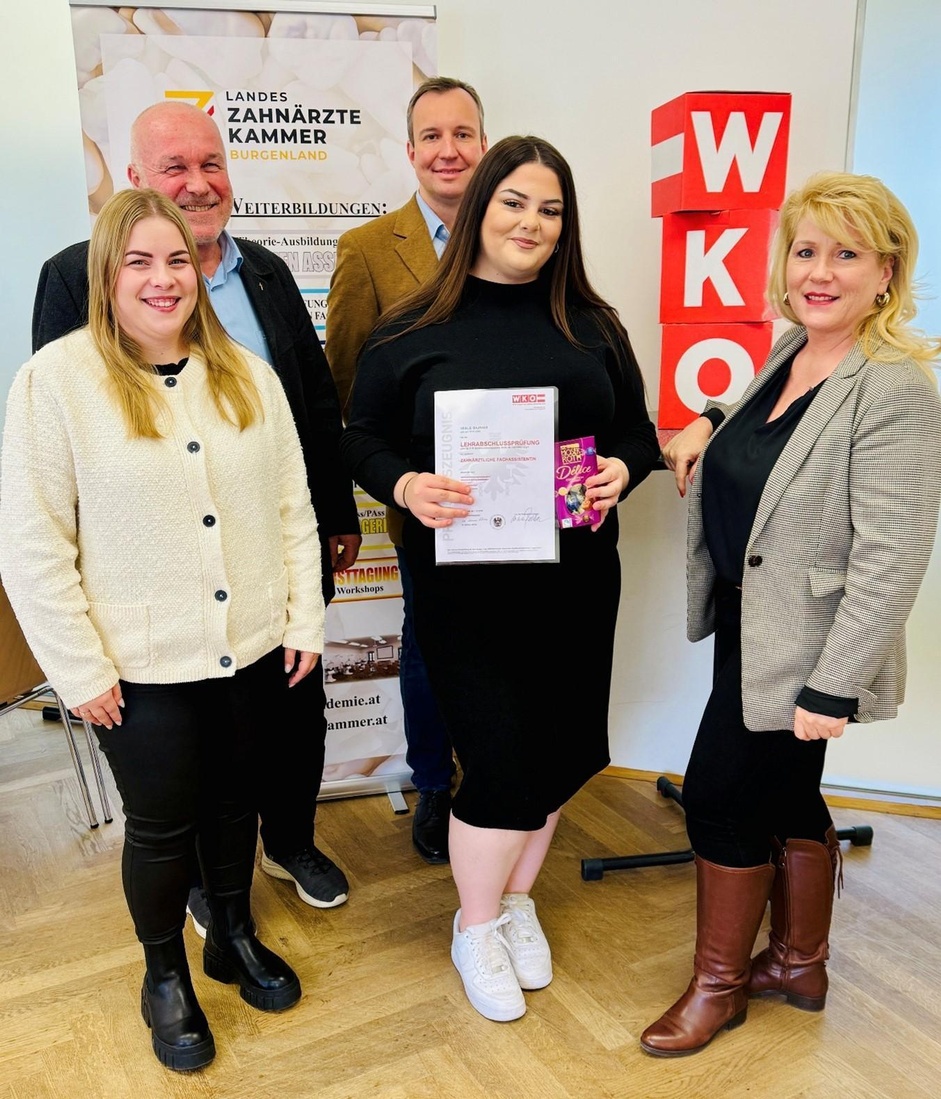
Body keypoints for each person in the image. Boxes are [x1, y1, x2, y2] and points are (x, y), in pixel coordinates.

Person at [0, 189, 326, 1071]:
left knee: (236, 804)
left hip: (254, 646)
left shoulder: (246, 375)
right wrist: (78, 668)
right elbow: (31, 545)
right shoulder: (56, 382)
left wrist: (301, 614)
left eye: (177, 260)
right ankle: (165, 974)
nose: (161, 278)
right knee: (161, 826)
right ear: (105, 276)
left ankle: (232, 937)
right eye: (138, 261)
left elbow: (292, 506)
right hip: (138, 667)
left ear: (199, 271)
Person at [341, 136, 659, 1021]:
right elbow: (357, 435)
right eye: (515, 201)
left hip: (577, 581)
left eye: (551, 209)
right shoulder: (410, 328)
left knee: (556, 753)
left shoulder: (591, 323)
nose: (532, 222)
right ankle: (474, 925)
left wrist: (623, 471)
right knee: (496, 758)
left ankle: (515, 903)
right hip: (468, 590)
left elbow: (635, 430)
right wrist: (404, 483)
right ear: (479, 205)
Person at [31, 100, 361, 920]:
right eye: (173, 168)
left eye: (210, 163)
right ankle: (201, 894)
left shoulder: (268, 273)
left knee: (292, 718)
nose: (196, 182)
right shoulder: (74, 280)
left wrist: (336, 514)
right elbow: (62, 460)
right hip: (158, 588)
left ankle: (286, 843)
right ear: (134, 182)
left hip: (269, 556)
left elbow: (310, 405)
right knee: (184, 779)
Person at [642, 171, 941, 1057]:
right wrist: (703, 417)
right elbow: (762, 426)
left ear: (884, 271)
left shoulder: (894, 388)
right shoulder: (792, 348)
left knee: (718, 800)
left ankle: (719, 986)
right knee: (785, 795)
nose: (820, 270)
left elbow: (892, 557)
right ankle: (797, 964)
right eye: (806, 250)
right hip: (749, 624)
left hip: (809, 650)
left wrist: (832, 686)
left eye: (846, 253)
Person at [326, 77, 488, 865]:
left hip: (519, 495)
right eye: (432, 136)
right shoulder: (367, 249)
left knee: (509, 647)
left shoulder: (520, 233)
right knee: (425, 647)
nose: (448, 149)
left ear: (483, 145)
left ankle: (499, 778)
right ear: (410, 151)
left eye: (462, 134)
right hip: (424, 502)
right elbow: (349, 387)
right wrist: (395, 474)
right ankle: (434, 782)